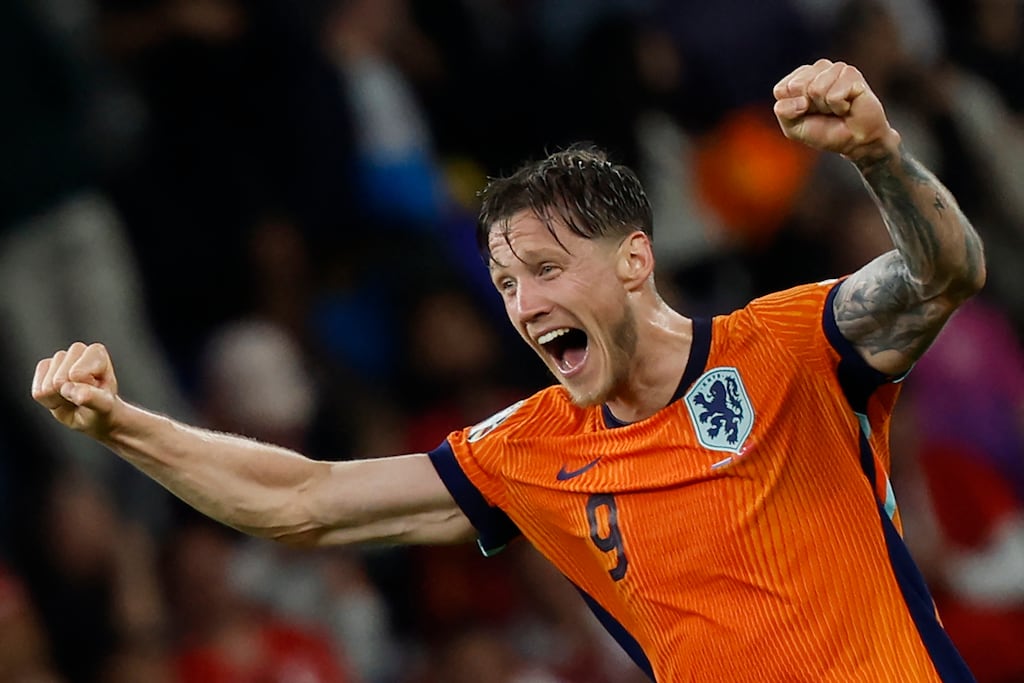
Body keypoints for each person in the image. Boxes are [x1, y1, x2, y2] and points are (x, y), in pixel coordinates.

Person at [31, 59, 986, 682]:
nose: (522, 305)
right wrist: (122, 424)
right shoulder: (529, 451)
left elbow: (946, 272)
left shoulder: (787, 346)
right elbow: (305, 500)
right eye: (502, 283)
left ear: (634, 260)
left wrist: (879, 154)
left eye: (543, 268)